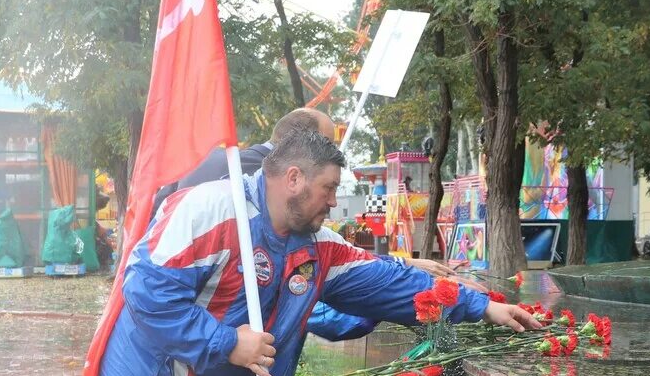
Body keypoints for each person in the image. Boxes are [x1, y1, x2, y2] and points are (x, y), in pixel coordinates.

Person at [83, 130, 540, 376]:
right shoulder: (211, 210)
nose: (334, 201)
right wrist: (226, 343)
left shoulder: (317, 246)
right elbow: (145, 291)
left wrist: (481, 307)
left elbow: (386, 281)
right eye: (329, 187)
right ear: (294, 179)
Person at [152, 107, 460, 340]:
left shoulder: (235, 166)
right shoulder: (250, 184)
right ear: (296, 163)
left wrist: (396, 273)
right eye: (325, 147)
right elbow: (298, 278)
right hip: (192, 353)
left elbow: (325, 262)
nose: (333, 157)